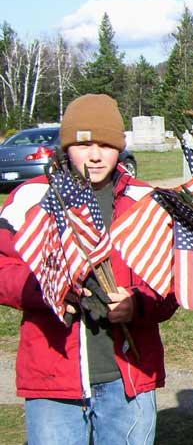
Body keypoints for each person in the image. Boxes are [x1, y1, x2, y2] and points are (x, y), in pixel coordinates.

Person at [0, 94, 178, 444]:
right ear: (66, 147)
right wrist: (46, 289)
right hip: (54, 376)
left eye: (106, 144)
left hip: (127, 375)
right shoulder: (31, 198)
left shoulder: (146, 201)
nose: (95, 155)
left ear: (119, 148)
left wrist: (137, 305)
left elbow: (171, 284)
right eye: (84, 144)